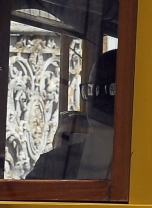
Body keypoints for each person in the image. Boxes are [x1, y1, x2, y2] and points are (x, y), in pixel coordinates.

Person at [27, 49, 116, 179]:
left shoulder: (150, 167)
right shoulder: (53, 163)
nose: (97, 102)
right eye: (92, 89)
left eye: (112, 90)